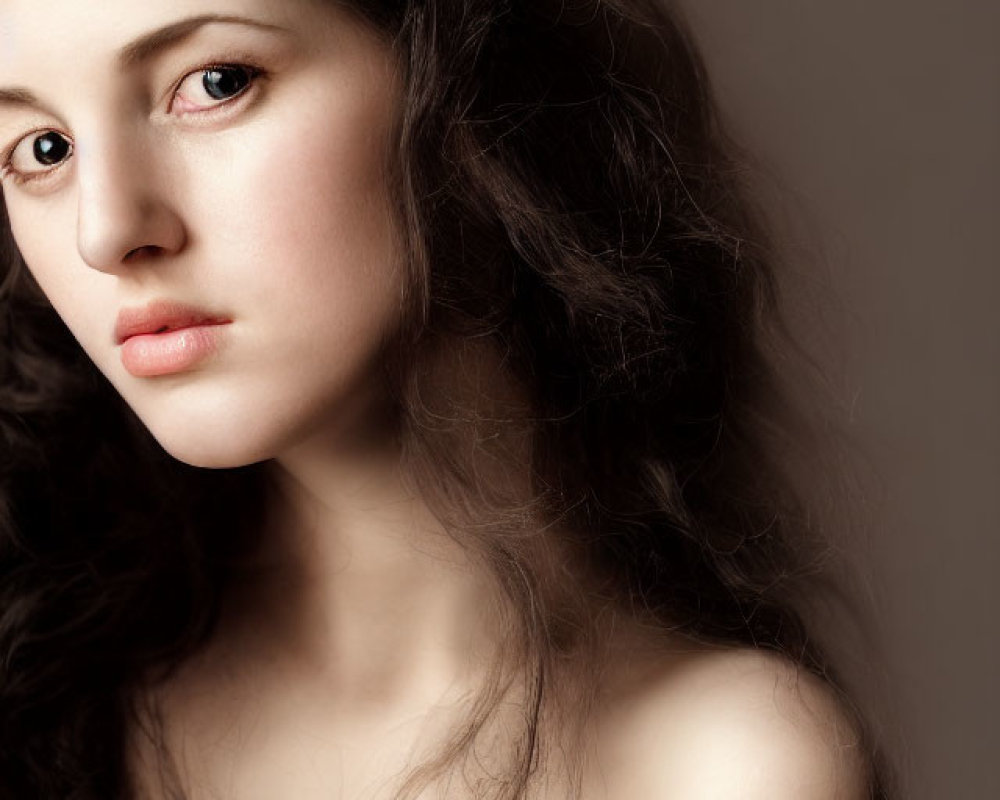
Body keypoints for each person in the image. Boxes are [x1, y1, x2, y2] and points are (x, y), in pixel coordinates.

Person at [0, 0, 892, 797]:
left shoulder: (723, 767)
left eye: (215, 83)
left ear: (467, 77)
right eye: (42, 149)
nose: (106, 229)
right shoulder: (47, 678)